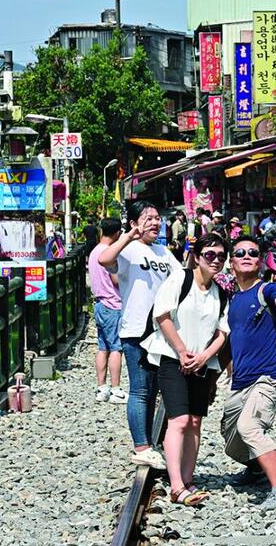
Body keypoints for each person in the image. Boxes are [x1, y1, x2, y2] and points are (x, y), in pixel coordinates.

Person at [142, 233, 230, 504]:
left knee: (194, 422)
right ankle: (177, 486)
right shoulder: (180, 279)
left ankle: (188, 480)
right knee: (178, 420)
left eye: (220, 256)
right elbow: (162, 315)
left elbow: (223, 332)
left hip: (201, 363)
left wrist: (204, 357)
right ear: (197, 256)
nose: (215, 261)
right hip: (172, 357)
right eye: (209, 255)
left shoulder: (220, 292)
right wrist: (181, 351)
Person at [221, 235, 276, 514]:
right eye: (240, 252)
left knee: (249, 428)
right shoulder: (233, 299)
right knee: (231, 441)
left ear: (260, 260)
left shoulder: (267, 289)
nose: (247, 256)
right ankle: (258, 470)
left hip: (268, 376)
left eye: (253, 253)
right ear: (231, 263)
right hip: (241, 381)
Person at [99, 200, 180, 470]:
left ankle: (148, 443)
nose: (156, 223)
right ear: (134, 223)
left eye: (158, 218)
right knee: (140, 389)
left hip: (162, 332)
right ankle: (142, 446)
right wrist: (128, 236)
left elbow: (182, 279)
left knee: (154, 389)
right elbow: (104, 259)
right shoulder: (128, 249)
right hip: (135, 329)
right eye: (149, 218)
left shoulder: (163, 252)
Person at [88, 217, 127, 404]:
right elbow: (116, 280)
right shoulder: (109, 253)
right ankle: (116, 389)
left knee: (102, 347)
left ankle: (101, 387)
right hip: (113, 303)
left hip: (99, 303)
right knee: (116, 348)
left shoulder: (94, 251)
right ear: (118, 233)